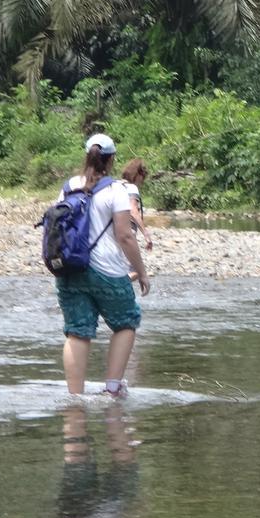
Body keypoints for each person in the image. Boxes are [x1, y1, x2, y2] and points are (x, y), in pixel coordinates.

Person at [55, 133, 151, 396]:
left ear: (87, 156)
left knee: (77, 332)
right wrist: (141, 271)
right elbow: (124, 235)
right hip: (108, 270)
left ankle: (75, 397)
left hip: (70, 269)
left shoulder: (68, 186)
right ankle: (112, 389)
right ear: (111, 160)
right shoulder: (116, 189)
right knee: (126, 323)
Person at [119, 158, 154, 257]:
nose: (142, 182)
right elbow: (133, 211)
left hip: (113, 234)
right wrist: (146, 235)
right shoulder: (131, 188)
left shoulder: (115, 185)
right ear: (138, 175)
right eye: (143, 177)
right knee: (133, 270)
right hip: (127, 234)